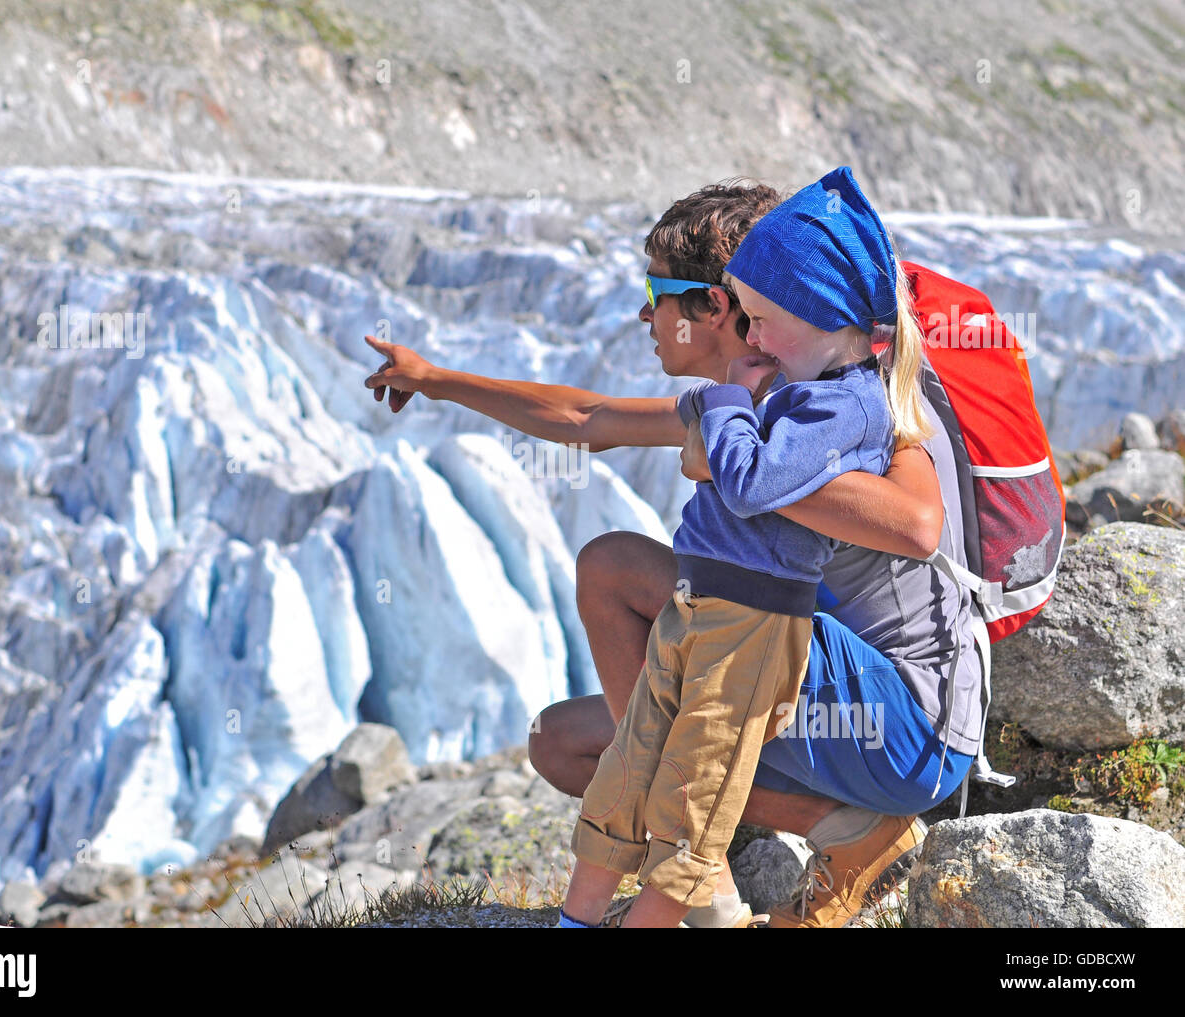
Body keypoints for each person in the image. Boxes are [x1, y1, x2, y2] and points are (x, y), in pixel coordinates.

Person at [362, 177, 983, 928]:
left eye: (655, 289)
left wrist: (736, 467)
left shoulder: (853, 403)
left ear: (716, 306)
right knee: (564, 745)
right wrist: (435, 381)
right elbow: (586, 416)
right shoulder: (743, 402)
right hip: (804, 683)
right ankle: (844, 834)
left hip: (904, 723)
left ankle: (702, 881)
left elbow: (917, 523)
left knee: (616, 567)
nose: (642, 311)